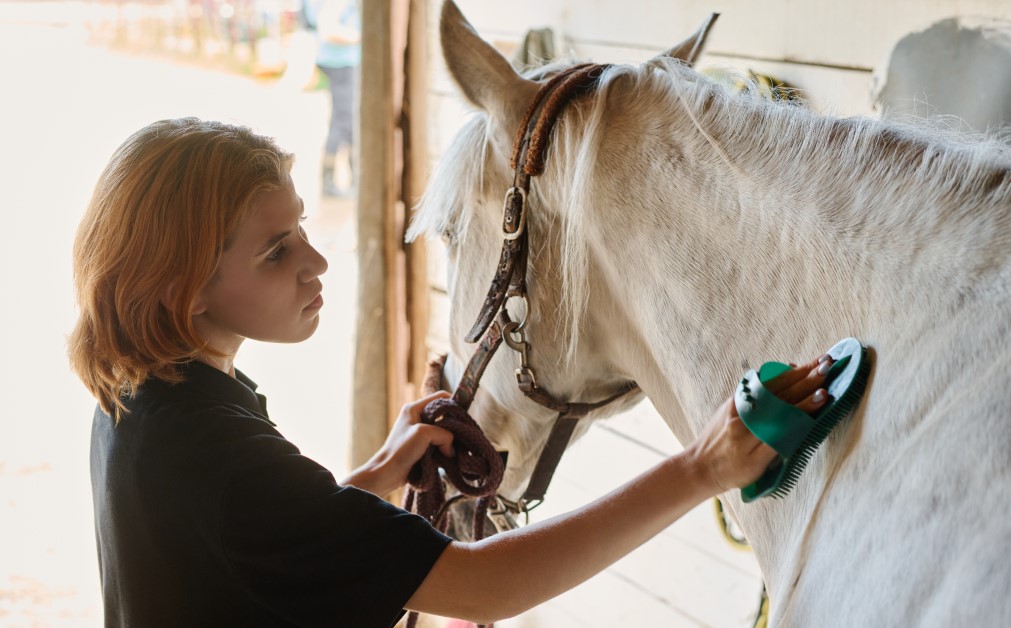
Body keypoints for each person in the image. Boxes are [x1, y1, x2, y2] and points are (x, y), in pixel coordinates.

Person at [69, 118, 833, 627]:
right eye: (276, 251)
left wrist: (376, 472)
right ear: (180, 288)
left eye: (301, 228)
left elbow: (266, 537)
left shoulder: (148, 398)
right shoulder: (213, 447)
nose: (316, 261)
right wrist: (700, 468)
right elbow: (484, 584)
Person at [305, 0, 359, 197]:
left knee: (343, 119)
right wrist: (363, 37)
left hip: (338, 60)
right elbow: (327, 29)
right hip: (341, 61)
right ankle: (331, 181)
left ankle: (349, 179)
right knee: (343, 121)